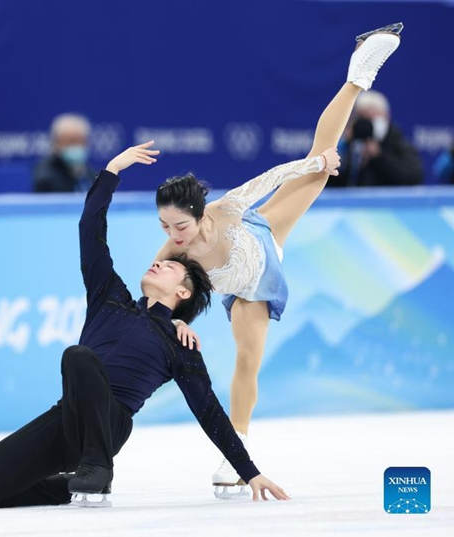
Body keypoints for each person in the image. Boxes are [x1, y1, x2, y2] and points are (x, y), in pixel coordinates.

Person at [0, 142, 289, 509]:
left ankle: (98, 467)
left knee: (78, 357)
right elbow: (90, 230)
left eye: (171, 266)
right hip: (67, 422)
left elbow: (208, 410)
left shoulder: (178, 343)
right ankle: (70, 484)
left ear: (182, 290)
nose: (159, 262)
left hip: (110, 425)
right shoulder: (109, 297)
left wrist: (250, 470)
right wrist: (112, 171)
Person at [152, 24, 403, 493]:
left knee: (322, 157)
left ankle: (358, 74)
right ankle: (237, 455)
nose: (172, 237)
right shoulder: (171, 252)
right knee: (248, 360)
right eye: (165, 228)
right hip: (247, 292)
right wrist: (170, 323)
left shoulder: (225, 211)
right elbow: (151, 296)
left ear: (199, 214)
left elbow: (269, 178)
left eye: (179, 227)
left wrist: (314, 166)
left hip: (264, 236)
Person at [330, 89, 423, 186]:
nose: (367, 125)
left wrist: (379, 157)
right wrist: (344, 146)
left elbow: (414, 176)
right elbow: (330, 180)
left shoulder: (396, 140)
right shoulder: (350, 143)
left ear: (386, 116)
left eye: (371, 118)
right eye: (362, 118)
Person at [33, 113, 94, 192]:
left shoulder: (90, 174)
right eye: (71, 142)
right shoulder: (44, 177)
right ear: (56, 143)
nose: (76, 147)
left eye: (81, 141)